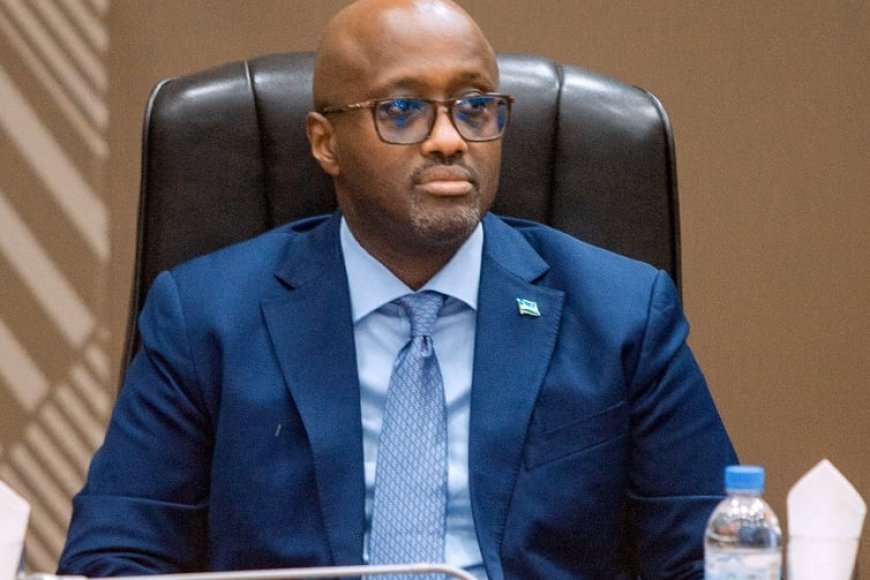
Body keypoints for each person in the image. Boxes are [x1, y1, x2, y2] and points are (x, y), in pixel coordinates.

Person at [58, 0, 737, 578]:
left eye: (475, 108)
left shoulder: (622, 313)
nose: (449, 140)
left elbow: (714, 559)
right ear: (325, 143)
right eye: (404, 110)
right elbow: (113, 558)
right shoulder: (205, 317)